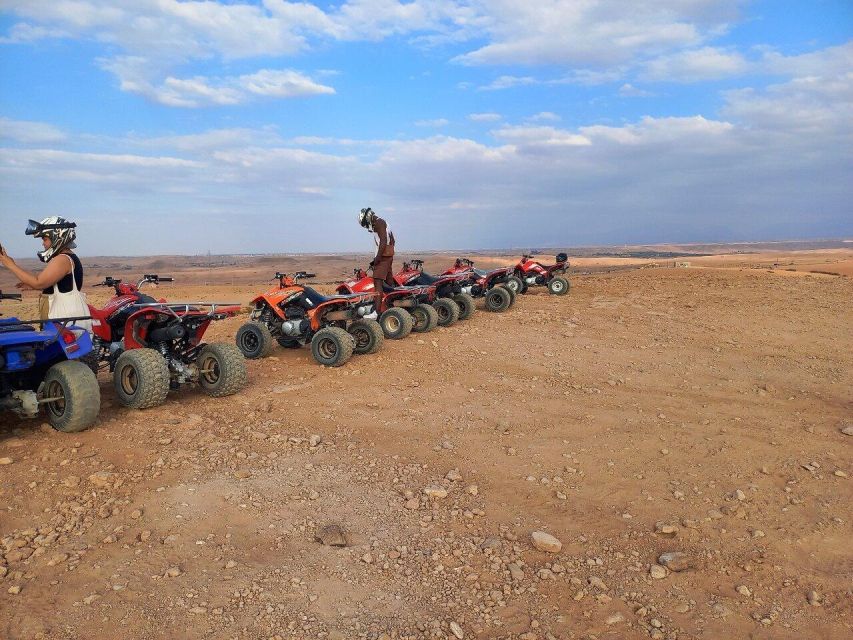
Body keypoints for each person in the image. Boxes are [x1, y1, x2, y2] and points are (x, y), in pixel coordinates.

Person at [0, 216, 92, 331]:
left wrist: (10, 265)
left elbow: (39, 282)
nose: (43, 244)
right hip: (65, 321)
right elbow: (63, 285)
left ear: (57, 236)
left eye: (45, 239)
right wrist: (33, 285)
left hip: (64, 324)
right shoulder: (68, 257)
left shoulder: (62, 259)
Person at [358, 207, 396, 307]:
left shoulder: (379, 223)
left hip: (383, 257)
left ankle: (376, 311)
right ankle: (391, 305)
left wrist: (377, 259)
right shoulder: (383, 222)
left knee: (377, 282)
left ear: (367, 218)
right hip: (387, 255)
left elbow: (383, 241)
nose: (367, 226)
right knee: (389, 282)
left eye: (365, 224)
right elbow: (392, 240)